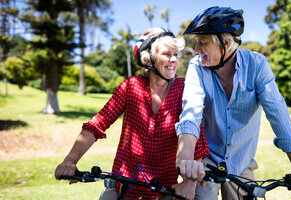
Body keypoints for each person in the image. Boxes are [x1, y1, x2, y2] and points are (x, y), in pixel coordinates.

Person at [174, 6, 291, 200]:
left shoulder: (257, 66)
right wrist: (185, 161)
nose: (197, 49)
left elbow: (278, 115)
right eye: (196, 42)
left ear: (226, 43)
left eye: (203, 42)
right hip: (205, 161)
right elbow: (191, 114)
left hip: (241, 161)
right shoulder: (196, 68)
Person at [55, 27, 209, 200]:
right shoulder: (131, 87)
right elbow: (98, 123)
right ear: (148, 58)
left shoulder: (183, 89)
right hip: (123, 187)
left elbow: (197, 141)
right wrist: (70, 160)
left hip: (164, 192)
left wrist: (189, 184)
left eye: (176, 55)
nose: (174, 60)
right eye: (167, 54)